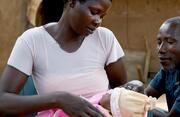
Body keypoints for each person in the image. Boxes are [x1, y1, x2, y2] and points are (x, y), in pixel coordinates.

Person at [0, 0, 128, 116]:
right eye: (94, 12)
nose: (98, 21)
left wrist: (133, 90)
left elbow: (121, 89)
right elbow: (3, 101)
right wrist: (59, 99)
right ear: (72, 2)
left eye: (102, 16)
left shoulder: (104, 38)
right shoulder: (33, 41)